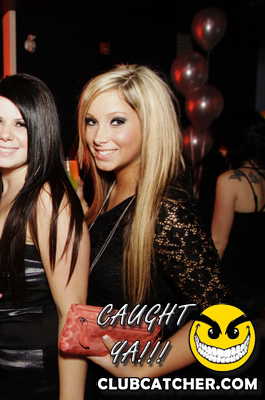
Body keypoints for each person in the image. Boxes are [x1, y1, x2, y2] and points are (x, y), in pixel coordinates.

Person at [76, 64, 229, 388]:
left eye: (117, 121)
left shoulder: (168, 210)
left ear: (150, 125)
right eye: (91, 121)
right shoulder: (107, 190)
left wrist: (143, 368)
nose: (98, 137)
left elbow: (222, 315)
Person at [0, 74, 91, 399]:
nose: (5, 134)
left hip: (43, 380)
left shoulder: (48, 199)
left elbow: (74, 316)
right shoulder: (2, 192)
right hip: (8, 376)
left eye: (21, 124)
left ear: (41, 129)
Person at [211, 109, 265, 319]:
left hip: (235, 285)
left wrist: (203, 285)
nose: (221, 150)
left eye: (225, 144)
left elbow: (218, 242)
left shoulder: (230, 180)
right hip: (259, 286)